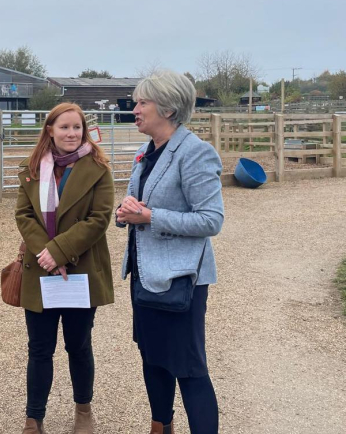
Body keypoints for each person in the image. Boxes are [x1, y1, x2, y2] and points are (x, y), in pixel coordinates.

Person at [115, 71, 224, 434]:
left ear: (169, 107)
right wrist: (126, 214)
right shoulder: (145, 154)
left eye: (143, 102)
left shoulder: (195, 153)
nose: (136, 108)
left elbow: (211, 220)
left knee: (189, 368)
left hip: (181, 279)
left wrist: (148, 216)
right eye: (137, 101)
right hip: (145, 275)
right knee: (153, 359)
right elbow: (140, 208)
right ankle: (161, 426)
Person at [15, 103, 115, 434]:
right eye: (65, 127)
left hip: (80, 270)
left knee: (78, 345)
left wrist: (59, 251)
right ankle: (34, 418)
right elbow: (24, 215)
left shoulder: (98, 167)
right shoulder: (32, 168)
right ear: (50, 130)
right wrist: (46, 253)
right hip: (41, 269)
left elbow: (99, 219)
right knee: (39, 349)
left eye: (77, 128)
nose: (72, 134)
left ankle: (83, 411)